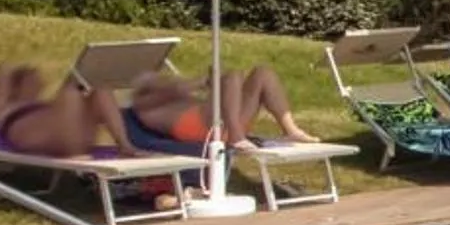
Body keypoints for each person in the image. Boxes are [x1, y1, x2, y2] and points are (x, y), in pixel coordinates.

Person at [129, 64, 321, 153]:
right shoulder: (143, 103)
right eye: (157, 79)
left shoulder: (174, 95)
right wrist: (202, 82)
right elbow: (174, 89)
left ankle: (291, 130)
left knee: (263, 73)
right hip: (202, 131)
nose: (163, 79)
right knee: (232, 76)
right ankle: (237, 136)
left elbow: (179, 89)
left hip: (223, 124)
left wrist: (210, 84)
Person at [0, 64, 132, 160]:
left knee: (101, 88)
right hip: (50, 141)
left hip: (72, 138)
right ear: (17, 86)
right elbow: (2, 71)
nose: (39, 84)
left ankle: (125, 146)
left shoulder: (43, 105)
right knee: (70, 91)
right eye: (32, 79)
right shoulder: (4, 107)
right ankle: (73, 153)